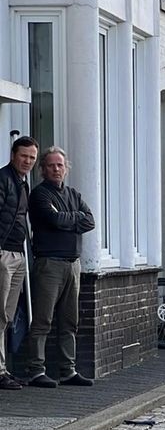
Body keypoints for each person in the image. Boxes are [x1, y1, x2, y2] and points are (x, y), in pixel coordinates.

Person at [18, 146, 95, 387]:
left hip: (73, 265)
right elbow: (54, 219)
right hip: (49, 264)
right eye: (50, 165)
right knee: (42, 320)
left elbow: (90, 220)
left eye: (60, 165)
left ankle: (68, 369)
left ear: (66, 167)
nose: (56, 169)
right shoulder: (40, 195)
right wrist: (74, 218)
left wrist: (67, 217)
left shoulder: (73, 193)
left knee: (69, 320)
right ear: (42, 169)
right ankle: (36, 370)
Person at [0, 137, 36, 390]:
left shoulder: (23, 184)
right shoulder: (3, 179)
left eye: (32, 158)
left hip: (18, 255)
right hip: (3, 254)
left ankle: (3, 368)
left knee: (7, 316)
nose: (28, 161)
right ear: (13, 155)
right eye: (24, 156)